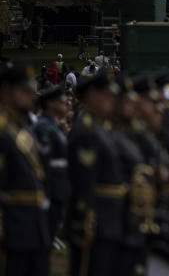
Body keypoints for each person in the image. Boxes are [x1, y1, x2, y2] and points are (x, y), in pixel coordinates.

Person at [67, 69, 124, 276]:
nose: (112, 100)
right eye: (107, 94)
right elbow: (84, 181)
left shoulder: (100, 129)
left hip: (107, 219)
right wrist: (82, 224)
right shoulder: (87, 131)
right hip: (95, 222)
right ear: (91, 96)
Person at [0, 62, 51, 276]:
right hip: (13, 229)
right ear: (6, 92)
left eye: (32, 91)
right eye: (25, 91)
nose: (31, 96)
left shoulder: (20, 131)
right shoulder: (3, 133)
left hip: (33, 226)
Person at [31, 85, 70, 244]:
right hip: (51, 192)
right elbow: (44, 165)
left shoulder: (53, 126)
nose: (67, 104)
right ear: (51, 104)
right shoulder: (43, 128)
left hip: (57, 191)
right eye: (62, 101)